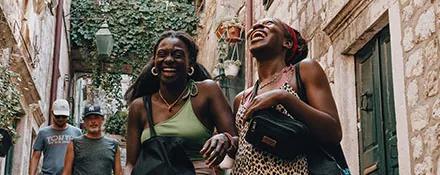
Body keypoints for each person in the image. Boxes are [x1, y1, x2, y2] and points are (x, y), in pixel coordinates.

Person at [231, 18, 343, 174]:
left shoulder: (304, 71)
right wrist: (226, 140)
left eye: (268, 24)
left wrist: (284, 97)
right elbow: (244, 146)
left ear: (287, 43)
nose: (256, 26)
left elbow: (333, 133)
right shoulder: (241, 99)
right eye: (255, 25)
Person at [124, 30, 237, 174]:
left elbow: (236, 143)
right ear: (154, 63)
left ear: (190, 64)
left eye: (177, 55)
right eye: (162, 54)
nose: (169, 59)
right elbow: (130, 164)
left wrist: (225, 138)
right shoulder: (139, 106)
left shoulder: (207, 92)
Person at [62, 105, 122, 175]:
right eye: (89, 118)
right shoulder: (74, 143)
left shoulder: (113, 145)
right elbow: (66, 172)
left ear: (102, 120)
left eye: (96, 118)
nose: (93, 121)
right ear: (84, 122)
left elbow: (119, 173)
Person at [29, 99, 82, 175]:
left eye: (63, 116)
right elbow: (35, 157)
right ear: (52, 113)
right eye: (58, 116)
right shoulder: (43, 133)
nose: (60, 119)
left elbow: (81, 156)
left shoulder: (77, 132)